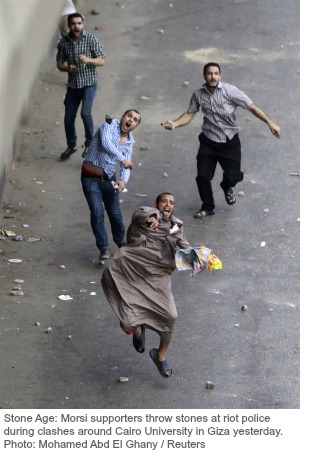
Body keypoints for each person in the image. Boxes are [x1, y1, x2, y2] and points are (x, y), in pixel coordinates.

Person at [161, 62, 281, 218]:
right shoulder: (198, 94)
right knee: (202, 176)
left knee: (234, 176)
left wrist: (269, 122)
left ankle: (226, 186)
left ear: (220, 75)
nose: (213, 77)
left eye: (216, 73)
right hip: (208, 141)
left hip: (229, 141)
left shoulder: (229, 91)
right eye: (210, 74)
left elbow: (251, 107)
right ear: (204, 76)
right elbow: (190, 113)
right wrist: (175, 123)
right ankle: (208, 206)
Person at [101, 192, 192, 378]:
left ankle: (160, 355)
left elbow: (184, 249)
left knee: (171, 316)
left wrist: (200, 256)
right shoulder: (146, 214)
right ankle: (137, 329)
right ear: (156, 203)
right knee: (128, 321)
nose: (168, 205)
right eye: (164, 201)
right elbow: (142, 215)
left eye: (171, 203)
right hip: (133, 271)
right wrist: (152, 218)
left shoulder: (176, 226)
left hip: (159, 276)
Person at [81, 109, 141, 261]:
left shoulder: (129, 142)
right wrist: (122, 159)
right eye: (129, 116)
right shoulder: (108, 125)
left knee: (115, 214)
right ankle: (103, 248)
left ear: (135, 125)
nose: (130, 120)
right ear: (122, 117)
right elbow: (107, 144)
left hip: (109, 179)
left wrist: (123, 180)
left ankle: (121, 243)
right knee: (97, 212)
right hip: (90, 178)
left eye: (134, 120)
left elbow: (126, 166)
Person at [56, 12, 105, 161]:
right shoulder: (64, 42)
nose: (76, 26)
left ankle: (90, 144)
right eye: (73, 24)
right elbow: (59, 63)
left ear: (83, 24)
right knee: (68, 119)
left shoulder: (90, 39)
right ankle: (72, 146)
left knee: (86, 114)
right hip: (73, 85)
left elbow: (102, 60)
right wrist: (67, 68)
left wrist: (87, 60)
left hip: (89, 84)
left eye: (79, 23)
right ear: (69, 26)